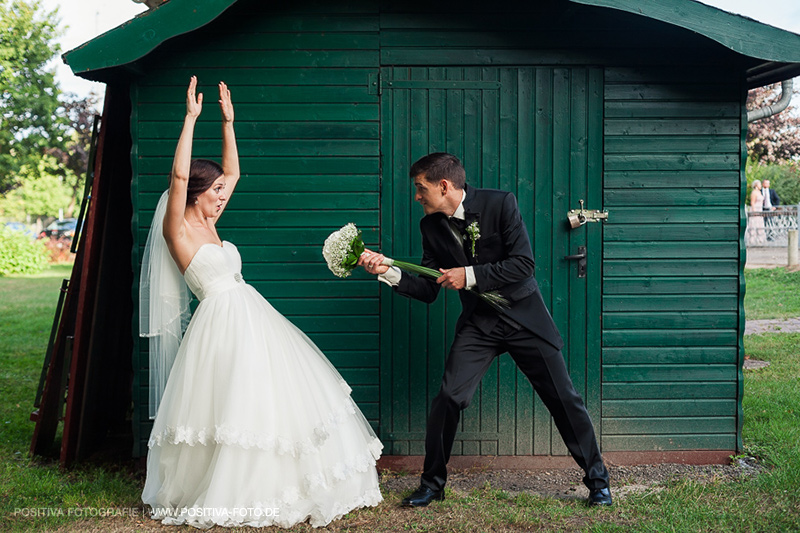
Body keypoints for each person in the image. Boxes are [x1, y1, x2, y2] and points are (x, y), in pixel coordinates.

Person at [140, 77, 382, 529]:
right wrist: (191, 119)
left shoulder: (212, 223)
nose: (222, 196)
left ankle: (279, 480)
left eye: (222, 192)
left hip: (253, 314)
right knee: (230, 399)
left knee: (270, 393)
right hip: (219, 322)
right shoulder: (181, 231)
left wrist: (229, 122)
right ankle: (225, 486)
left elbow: (233, 173)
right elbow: (177, 176)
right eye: (214, 192)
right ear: (195, 193)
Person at [358, 153, 612, 507]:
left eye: (421, 188)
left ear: (444, 186)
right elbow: (429, 289)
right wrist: (386, 270)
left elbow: (523, 264)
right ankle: (432, 484)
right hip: (480, 323)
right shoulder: (430, 226)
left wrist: (469, 275)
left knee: (564, 400)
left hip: (524, 318)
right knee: (448, 398)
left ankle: (598, 482)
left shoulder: (500, 203)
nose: (417, 196)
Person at [749, 180, 766, 245]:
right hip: (755, 210)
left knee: (760, 225)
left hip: (760, 210)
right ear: (756, 185)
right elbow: (752, 202)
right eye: (759, 184)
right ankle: (753, 240)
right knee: (754, 224)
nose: (760, 186)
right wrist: (754, 211)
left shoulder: (759, 192)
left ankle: (760, 240)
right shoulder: (754, 192)